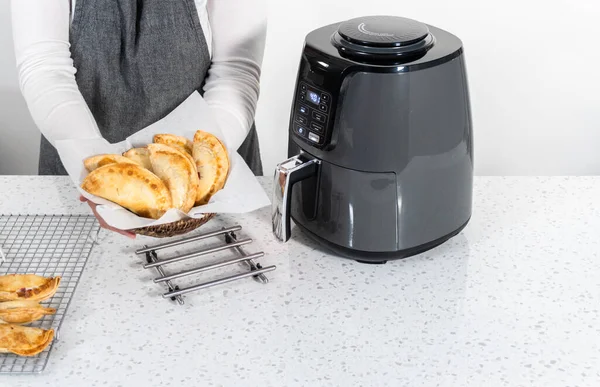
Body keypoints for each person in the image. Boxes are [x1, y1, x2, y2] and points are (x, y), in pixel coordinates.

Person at [11, 0, 267, 238]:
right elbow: (44, 65)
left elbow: (235, 68)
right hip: (78, 161)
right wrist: (99, 173)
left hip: (212, 169)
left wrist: (196, 174)